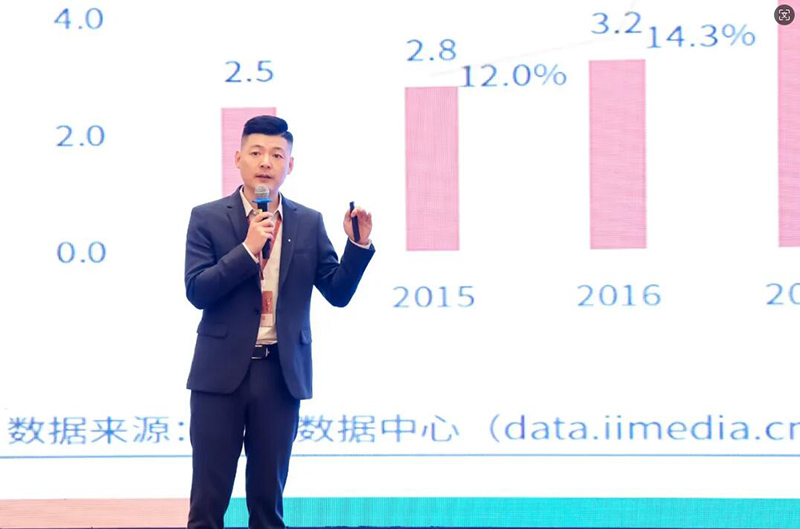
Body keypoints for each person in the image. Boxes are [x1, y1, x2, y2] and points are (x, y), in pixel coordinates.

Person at [184, 115, 374, 529]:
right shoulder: (207, 217)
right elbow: (197, 290)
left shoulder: (308, 222)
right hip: (218, 377)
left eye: (276, 154)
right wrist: (247, 249)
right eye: (256, 152)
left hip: (280, 376)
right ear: (238, 158)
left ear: (290, 165)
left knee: (268, 504)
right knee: (207, 504)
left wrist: (357, 245)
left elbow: (337, 292)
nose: (265, 162)